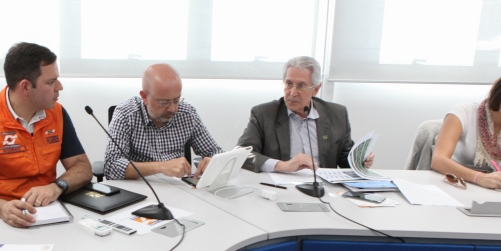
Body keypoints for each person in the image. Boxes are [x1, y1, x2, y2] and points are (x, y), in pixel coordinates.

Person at [0, 43, 92, 234]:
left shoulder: (56, 113)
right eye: (51, 82)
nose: (60, 87)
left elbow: (82, 167)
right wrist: (1, 207)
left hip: (46, 212)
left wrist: (56, 186)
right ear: (25, 87)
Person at [236, 56, 373, 172]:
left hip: (323, 188)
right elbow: (242, 154)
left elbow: (344, 160)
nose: (292, 92)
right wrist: (282, 165)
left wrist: (359, 161)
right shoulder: (264, 114)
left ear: (316, 89)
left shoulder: (336, 114)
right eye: (289, 84)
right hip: (279, 187)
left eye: (301, 86)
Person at [103, 63, 223, 180]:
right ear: (144, 97)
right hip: (140, 185)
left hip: (177, 187)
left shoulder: (187, 114)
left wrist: (214, 161)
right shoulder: (126, 114)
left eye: (176, 100)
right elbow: (111, 166)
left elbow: (216, 152)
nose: (173, 109)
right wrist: (160, 166)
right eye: (164, 102)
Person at [432, 68, 501, 190]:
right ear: (500, 91)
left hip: (500, 191)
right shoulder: (464, 111)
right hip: (456, 186)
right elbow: (438, 160)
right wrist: (479, 178)